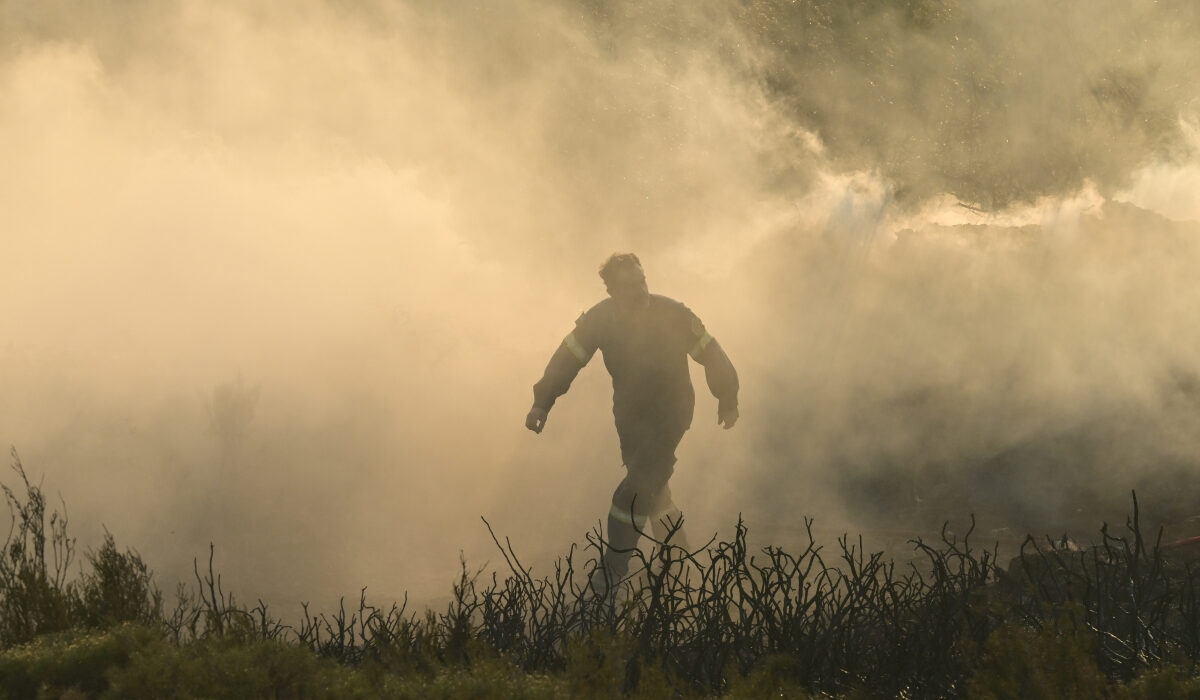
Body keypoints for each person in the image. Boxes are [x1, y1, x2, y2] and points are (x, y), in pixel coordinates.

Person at [525, 253, 739, 594]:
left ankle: (613, 569)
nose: (640, 291)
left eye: (642, 281)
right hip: (629, 417)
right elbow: (567, 360)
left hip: (672, 413)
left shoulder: (674, 315)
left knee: (635, 488)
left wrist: (727, 397)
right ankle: (681, 560)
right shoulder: (599, 321)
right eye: (629, 287)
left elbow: (711, 353)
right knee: (655, 490)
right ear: (611, 292)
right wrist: (542, 402)